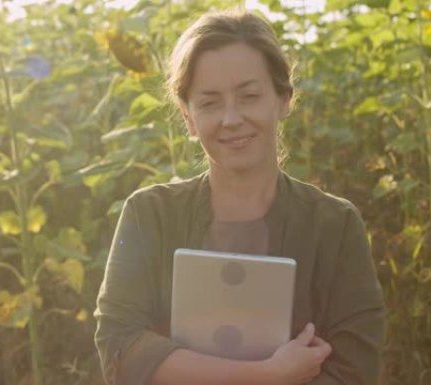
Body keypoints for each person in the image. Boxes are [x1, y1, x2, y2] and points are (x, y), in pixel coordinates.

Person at [94, 9, 385, 385]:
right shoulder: (148, 215)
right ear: (188, 118)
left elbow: (354, 370)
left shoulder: (336, 225)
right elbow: (121, 351)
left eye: (249, 96)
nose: (231, 118)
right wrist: (265, 375)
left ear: (283, 100)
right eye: (210, 103)